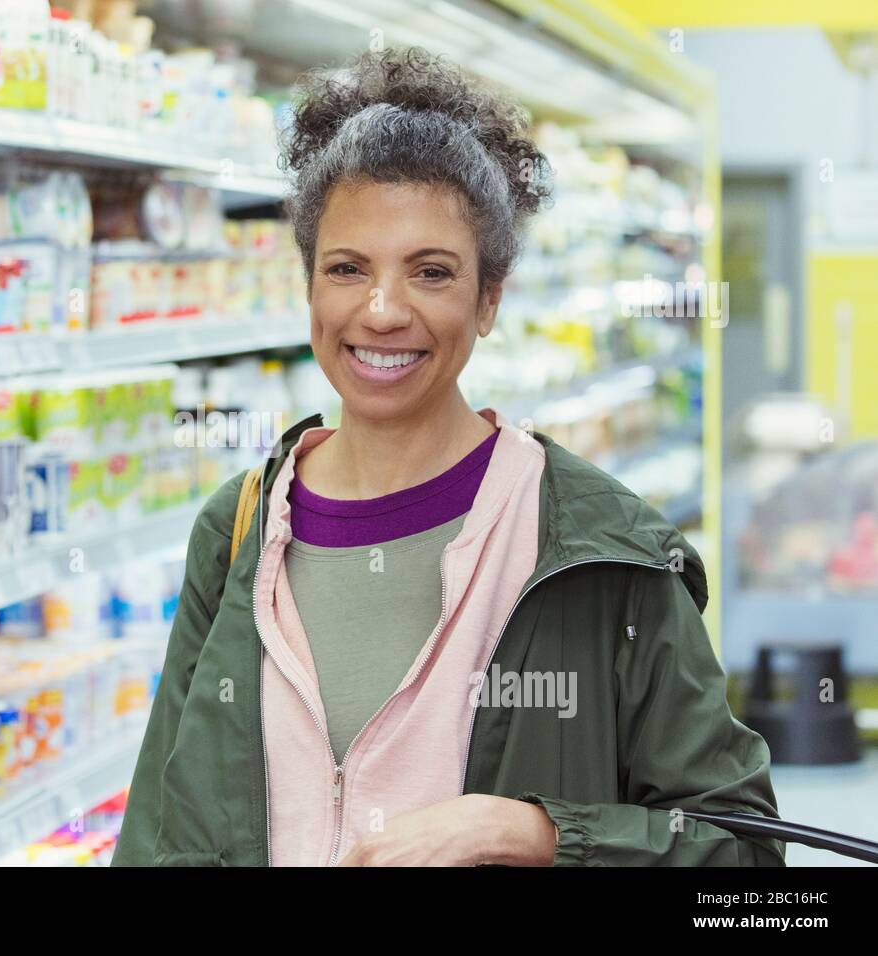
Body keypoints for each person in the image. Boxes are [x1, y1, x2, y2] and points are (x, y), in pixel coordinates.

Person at [112, 47, 784, 867]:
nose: (383, 310)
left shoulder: (601, 551)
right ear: (310, 287)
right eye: (347, 269)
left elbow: (745, 860)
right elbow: (158, 831)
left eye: (431, 272)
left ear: (489, 298)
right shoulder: (239, 530)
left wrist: (539, 835)